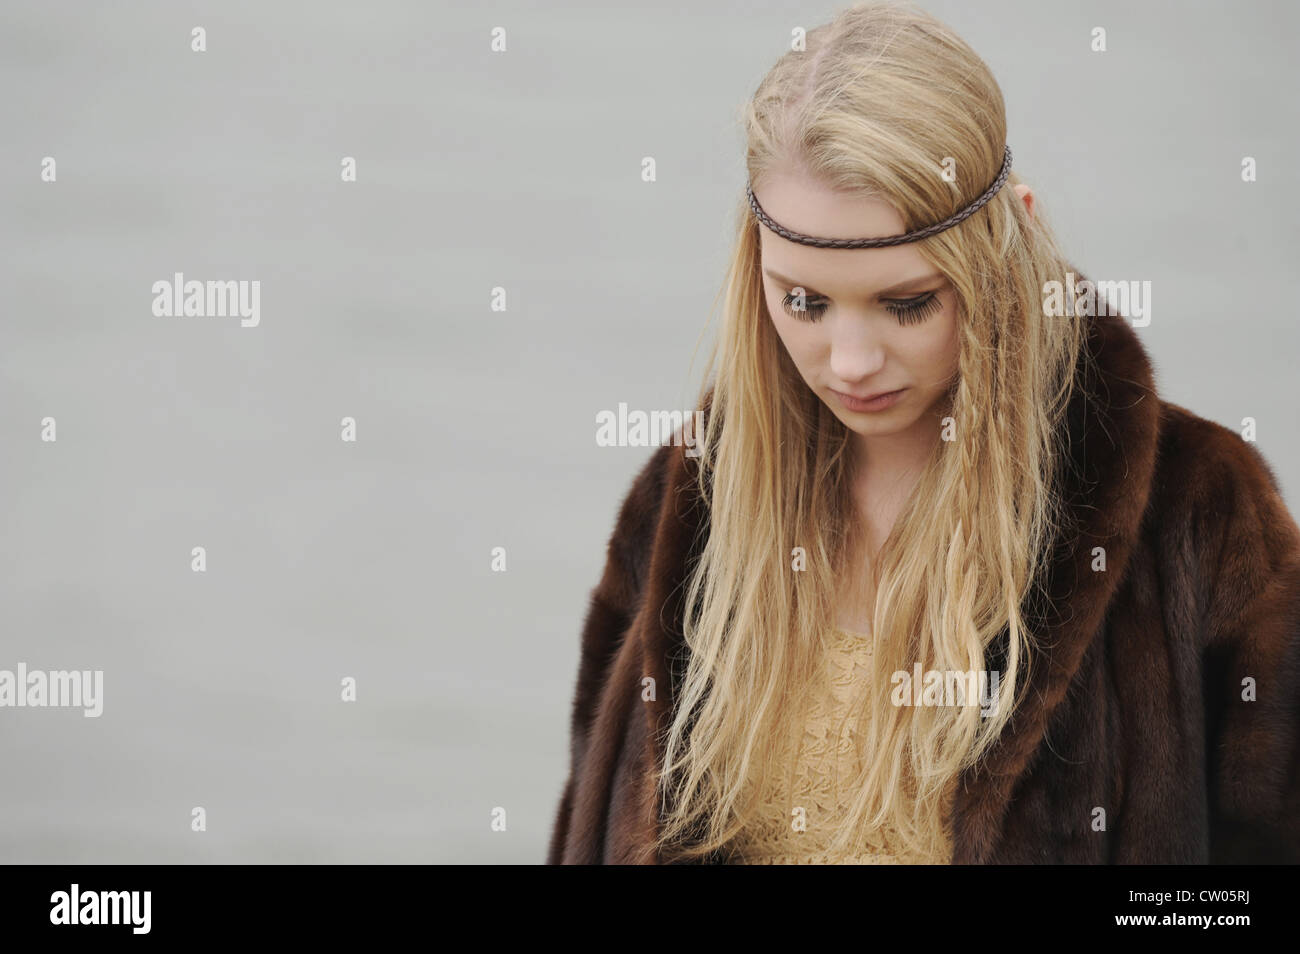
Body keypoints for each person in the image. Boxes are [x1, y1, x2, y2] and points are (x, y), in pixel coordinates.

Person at [548, 0, 1300, 864]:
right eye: (804, 301)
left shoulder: (1200, 517)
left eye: (907, 303)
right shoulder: (682, 510)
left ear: (1008, 234)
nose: (851, 360)